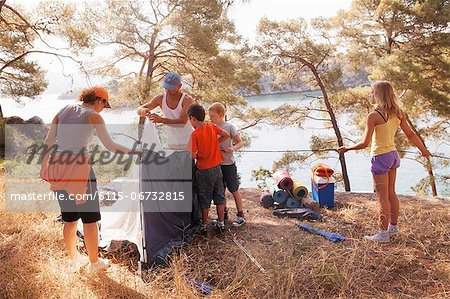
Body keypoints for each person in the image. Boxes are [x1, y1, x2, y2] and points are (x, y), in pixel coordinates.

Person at [41, 86, 141, 271]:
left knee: (69, 219)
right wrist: (136, 151)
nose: (104, 108)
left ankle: (73, 259)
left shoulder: (63, 110)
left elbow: (48, 141)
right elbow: (110, 146)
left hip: (58, 165)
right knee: (89, 219)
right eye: (105, 104)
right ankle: (94, 263)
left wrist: (44, 166)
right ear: (99, 100)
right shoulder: (94, 116)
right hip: (79, 169)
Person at [338, 81, 431, 243]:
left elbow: (365, 143)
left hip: (380, 157)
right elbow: (410, 135)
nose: (371, 95)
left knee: (382, 198)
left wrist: (347, 148)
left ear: (378, 94)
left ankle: (383, 234)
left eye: (373, 92)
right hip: (393, 155)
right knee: (391, 193)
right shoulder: (398, 112)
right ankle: (392, 228)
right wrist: (423, 150)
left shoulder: (374, 116)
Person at [186, 104, 230, 233]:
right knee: (219, 196)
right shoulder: (211, 126)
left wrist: (197, 153)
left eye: (189, 119)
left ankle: (204, 225)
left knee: (204, 198)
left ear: (193, 118)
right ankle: (221, 223)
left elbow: (193, 155)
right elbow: (226, 134)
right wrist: (216, 143)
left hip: (204, 170)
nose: (190, 122)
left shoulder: (195, 134)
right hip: (217, 169)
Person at [208, 102, 246, 227]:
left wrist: (233, 148)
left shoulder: (229, 127)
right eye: (210, 116)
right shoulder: (211, 127)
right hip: (216, 164)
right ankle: (223, 215)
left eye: (213, 116)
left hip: (228, 164)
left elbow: (240, 142)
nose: (210, 118)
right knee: (220, 190)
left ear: (221, 114)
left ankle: (241, 215)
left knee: (233, 189)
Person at [136, 72, 195, 149]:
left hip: (188, 142)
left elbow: (182, 122)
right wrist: (144, 111)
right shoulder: (160, 98)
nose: (168, 91)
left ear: (179, 86)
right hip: (172, 143)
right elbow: (139, 109)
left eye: (171, 88)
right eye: (166, 88)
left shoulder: (187, 100)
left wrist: (161, 120)